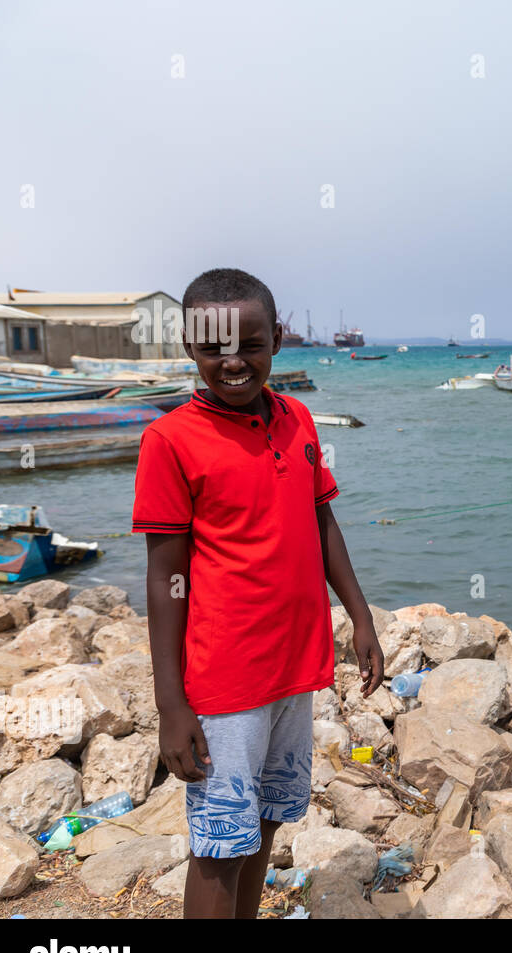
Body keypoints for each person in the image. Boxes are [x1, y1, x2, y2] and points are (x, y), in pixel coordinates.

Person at [134, 267, 384, 918]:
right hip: (224, 683)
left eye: (249, 343)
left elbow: (321, 519)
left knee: (265, 826)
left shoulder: (297, 417)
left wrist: (359, 616)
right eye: (213, 346)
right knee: (218, 848)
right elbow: (165, 580)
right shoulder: (169, 441)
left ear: (277, 337)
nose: (233, 361)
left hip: (292, 671)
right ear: (190, 345)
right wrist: (171, 703)